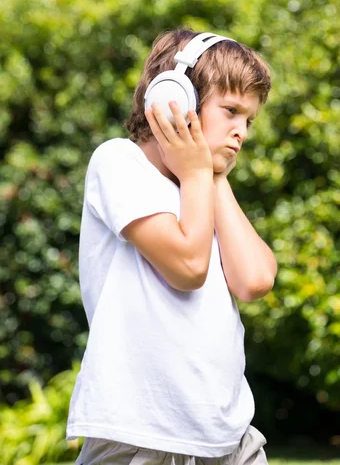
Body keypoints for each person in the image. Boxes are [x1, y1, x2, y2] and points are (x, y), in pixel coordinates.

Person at [67, 28, 278, 465]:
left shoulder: (203, 188)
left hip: (228, 435)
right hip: (142, 434)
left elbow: (255, 280)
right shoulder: (118, 162)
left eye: (249, 121)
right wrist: (200, 174)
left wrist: (209, 174)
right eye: (231, 111)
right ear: (177, 100)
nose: (241, 132)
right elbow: (187, 266)